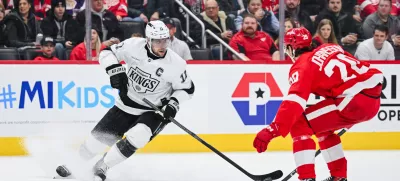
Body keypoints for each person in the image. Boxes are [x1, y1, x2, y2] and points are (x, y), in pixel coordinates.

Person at [55, 20, 195, 181]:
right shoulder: (133, 45)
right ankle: (75, 164)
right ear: (148, 40)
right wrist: (115, 71)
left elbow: (187, 89)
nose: (162, 45)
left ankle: (103, 166)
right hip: (126, 103)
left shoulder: (176, 63)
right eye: (157, 41)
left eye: (165, 40)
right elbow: (106, 52)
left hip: (155, 110)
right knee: (97, 141)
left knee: (139, 135)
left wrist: (173, 104)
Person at [253, 27, 383, 181]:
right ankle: (339, 177)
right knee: (323, 129)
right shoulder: (331, 47)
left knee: (299, 124)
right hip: (372, 97)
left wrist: (272, 130)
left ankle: (307, 178)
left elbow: (294, 102)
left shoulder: (302, 66)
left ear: (291, 48)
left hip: (352, 100)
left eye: (287, 48)